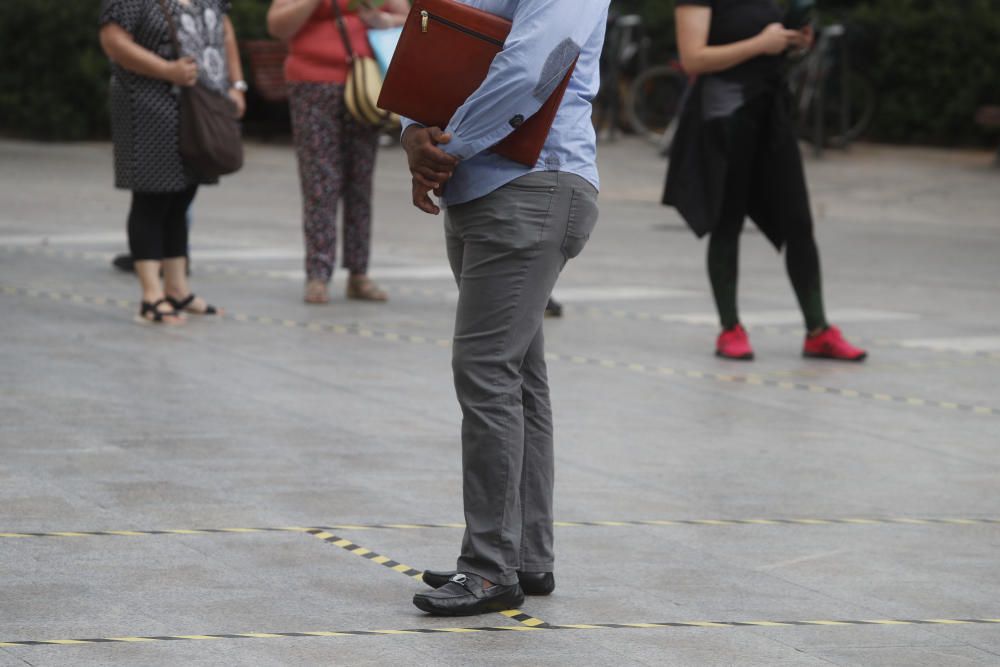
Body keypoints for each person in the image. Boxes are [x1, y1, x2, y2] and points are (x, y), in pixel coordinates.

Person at [401, 0, 610, 616]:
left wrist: (449, 144)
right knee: (516, 376)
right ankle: (522, 556)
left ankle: (490, 569)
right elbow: (433, 51)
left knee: (488, 371)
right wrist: (416, 131)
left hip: (532, 185)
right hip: (480, 185)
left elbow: (532, 67)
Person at [663, 0, 867, 361]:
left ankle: (818, 330)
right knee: (727, 222)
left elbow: (771, 41)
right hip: (725, 116)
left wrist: (794, 42)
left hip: (770, 112)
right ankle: (730, 328)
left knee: (799, 221)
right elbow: (693, 58)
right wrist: (760, 44)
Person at [99, 0, 242, 323]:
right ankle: (151, 295)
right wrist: (166, 70)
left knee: (182, 195)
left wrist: (237, 84)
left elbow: (225, 30)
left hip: (200, 106)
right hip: (149, 106)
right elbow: (113, 41)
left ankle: (177, 288)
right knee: (153, 197)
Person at [267, 0, 409, 305]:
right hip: (312, 82)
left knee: (361, 180)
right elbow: (277, 26)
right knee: (320, 180)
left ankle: (359, 273)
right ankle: (318, 273)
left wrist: (381, 20)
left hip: (365, 83)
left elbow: (408, 15)